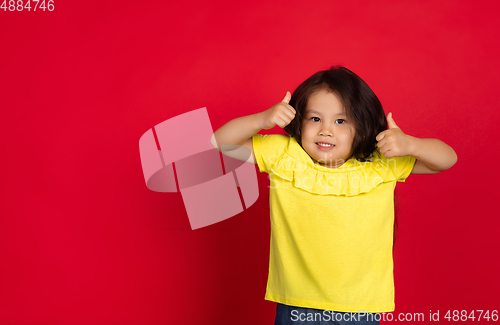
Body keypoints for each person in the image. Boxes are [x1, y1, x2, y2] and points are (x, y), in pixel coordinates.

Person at [212, 66, 457, 325]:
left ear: (362, 125)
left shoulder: (381, 163)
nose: (325, 130)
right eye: (315, 119)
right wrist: (262, 120)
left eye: (341, 121)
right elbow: (222, 141)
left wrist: (410, 144)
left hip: (361, 305)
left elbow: (446, 159)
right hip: (298, 302)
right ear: (299, 121)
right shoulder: (284, 155)